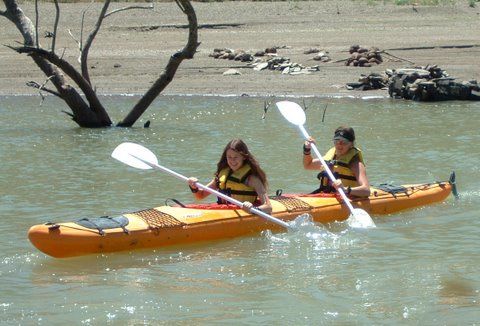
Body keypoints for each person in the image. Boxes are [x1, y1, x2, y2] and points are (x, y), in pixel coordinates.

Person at [187, 139, 272, 214]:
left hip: (244, 213)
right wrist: (193, 187)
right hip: (224, 212)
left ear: (244, 157)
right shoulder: (222, 176)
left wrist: (252, 209)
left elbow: (268, 207)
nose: (232, 160)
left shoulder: (252, 179)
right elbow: (200, 195)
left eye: (236, 157)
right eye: (229, 157)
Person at [302, 126, 371, 198]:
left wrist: (345, 190)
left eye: (344, 142)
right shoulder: (331, 157)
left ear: (351, 144)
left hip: (346, 198)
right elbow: (308, 165)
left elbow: (366, 190)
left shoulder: (355, 163)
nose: (339, 144)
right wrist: (307, 149)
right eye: (337, 141)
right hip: (326, 194)